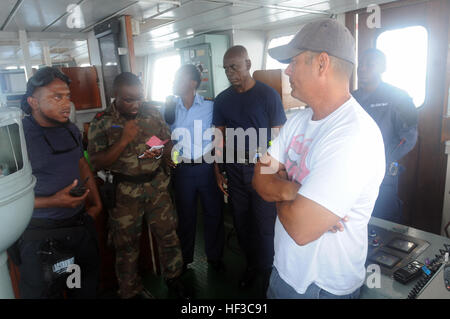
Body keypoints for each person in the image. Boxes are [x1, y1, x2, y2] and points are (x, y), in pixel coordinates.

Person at [252, 18, 386, 299]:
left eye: (294, 61)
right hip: (283, 271)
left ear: (322, 63)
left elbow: (301, 229)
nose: (287, 70)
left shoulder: (354, 136)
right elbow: (259, 177)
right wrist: (292, 191)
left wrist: (278, 186)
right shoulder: (298, 120)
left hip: (321, 289)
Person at [87, 72, 190, 299]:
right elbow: (95, 161)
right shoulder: (102, 121)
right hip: (125, 193)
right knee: (126, 246)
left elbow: (165, 139)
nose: (135, 105)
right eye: (128, 99)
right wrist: (123, 139)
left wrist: (168, 155)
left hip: (157, 186)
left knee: (168, 236)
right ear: (115, 95)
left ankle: (174, 278)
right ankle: (130, 290)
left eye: (139, 98)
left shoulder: (152, 112)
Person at [17, 66, 102, 298]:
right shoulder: (18, 140)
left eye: (67, 97)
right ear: (33, 102)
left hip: (78, 230)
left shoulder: (71, 130)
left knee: (84, 292)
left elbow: (81, 163)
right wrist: (53, 201)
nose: (67, 104)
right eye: (57, 97)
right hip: (41, 239)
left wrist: (96, 203)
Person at [212, 45, 287, 295]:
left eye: (234, 66)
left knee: (266, 225)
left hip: (264, 170)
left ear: (248, 63)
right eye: (225, 69)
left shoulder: (268, 96)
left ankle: (267, 271)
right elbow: (218, 138)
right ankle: (252, 266)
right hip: (234, 171)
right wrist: (217, 171)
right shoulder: (223, 100)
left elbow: (279, 137)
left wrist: (278, 173)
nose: (230, 72)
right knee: (242, 223)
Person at [162, 64, 225, 271]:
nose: (173, 83)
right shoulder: (169, 108)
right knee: (185, 217)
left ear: (192, 83)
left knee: (213, 214)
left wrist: (218, 168)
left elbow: (218, 136)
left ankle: (215, 257)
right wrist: (166, 149)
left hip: (207, 168)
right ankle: (186, 258)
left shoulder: (210, 106)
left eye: (178, 79)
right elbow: (159, 135)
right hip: (183, 170)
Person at [352, 48, 418, 223]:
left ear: (382, 68)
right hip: (351, 172)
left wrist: (380, 160)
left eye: (369, 64)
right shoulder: (350, 98)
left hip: (383, 175)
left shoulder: (400, 97)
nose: (363, 68)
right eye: (361, 64)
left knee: (384, 221)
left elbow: (408, 138)